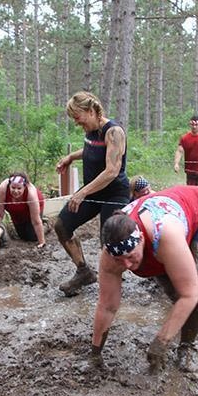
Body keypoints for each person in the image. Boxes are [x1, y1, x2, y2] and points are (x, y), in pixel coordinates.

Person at [90, 186, 198, 372]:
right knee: (175, 290)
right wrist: (95, 353)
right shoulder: (110, 256)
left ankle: (187, 347)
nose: (127, 266)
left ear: (141, 238)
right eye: (119, 260)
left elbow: (190, 295)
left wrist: (160, 342)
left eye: (131, 257)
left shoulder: (164, 235)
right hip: (170, 234)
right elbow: (107, 305)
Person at [55, 91, 130, 297]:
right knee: (62, 225)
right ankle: (83, 272)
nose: (77, 123)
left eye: (78, 118)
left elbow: (112, 170)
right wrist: (71, 157)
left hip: (115, 193)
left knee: (107, 243)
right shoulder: (90, 130)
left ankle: (111, 288)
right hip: (93, 190)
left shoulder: (114, 132)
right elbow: (91, 150)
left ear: (91, 111)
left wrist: (82, 192)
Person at [0, 172, 46, 248]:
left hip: (32, 209)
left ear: (24, 187)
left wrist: (42, 242)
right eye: (13, 188)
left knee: (32, 237)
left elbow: (36, 221)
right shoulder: (2, 190)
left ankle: (46, 224)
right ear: (9, 186)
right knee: (22, 236)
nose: (16, 191)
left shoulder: (31, 194)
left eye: (19, 188)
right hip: (14, 209)